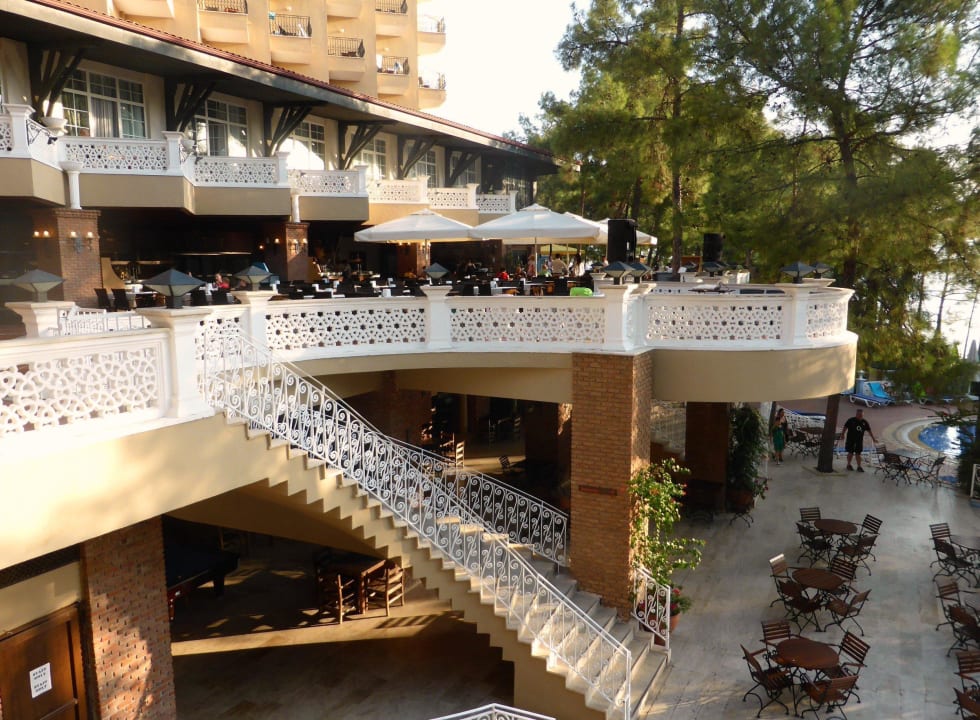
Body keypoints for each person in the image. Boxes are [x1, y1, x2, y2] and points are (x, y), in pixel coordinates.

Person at [839, 407, 876, 472]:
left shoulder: (865, 422)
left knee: (858, 453)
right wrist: (842, 435)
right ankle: (848, 465)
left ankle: (859, 466)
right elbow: (845, 427)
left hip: (859, 440)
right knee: (850, 452)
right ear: (856, 414)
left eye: (861, 415)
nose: (860, 416)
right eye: (859, 415)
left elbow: (869, 430)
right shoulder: (851, 420)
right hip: (850, 439)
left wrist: (873, 438)